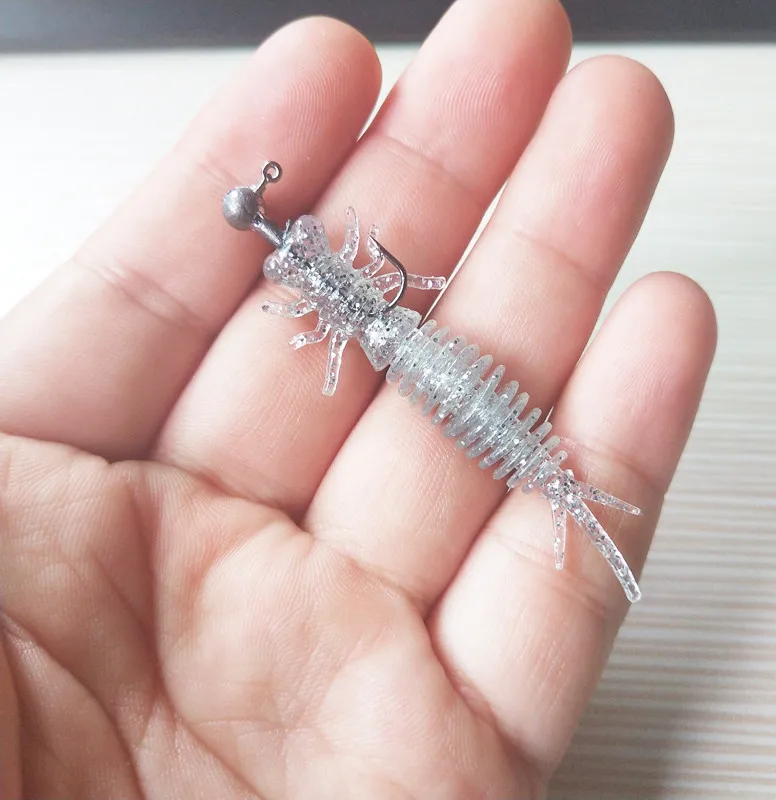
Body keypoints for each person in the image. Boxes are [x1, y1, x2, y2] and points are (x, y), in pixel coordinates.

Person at [0, 0, 716, 796]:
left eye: (299, 248)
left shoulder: (340, 292)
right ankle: (563, 492)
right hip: (411, 355)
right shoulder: (336, 297)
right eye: (292, 257)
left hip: (427, 362)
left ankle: (564, 490)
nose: (296, 252)